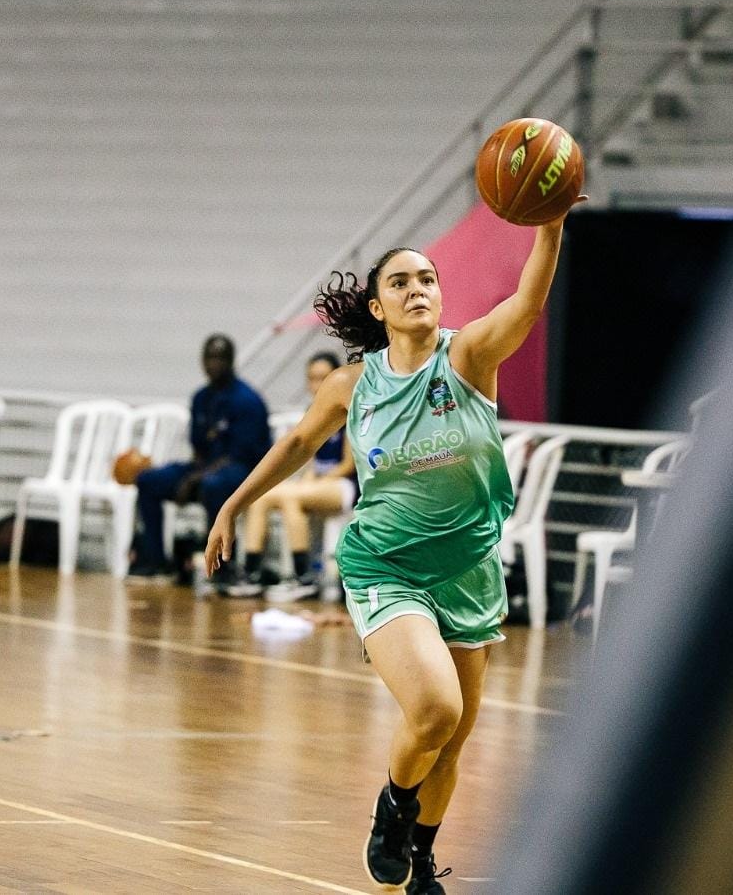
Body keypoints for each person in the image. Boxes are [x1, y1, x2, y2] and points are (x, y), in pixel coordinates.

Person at [205, 215, 573, 894]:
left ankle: (421, 863)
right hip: (385, 568)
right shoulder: (352, 386)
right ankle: (393, 807)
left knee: (453, 743)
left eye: (427, 279)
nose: (418, 290)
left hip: (468, 570)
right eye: (400, 282)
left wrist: (548, 228)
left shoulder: (468, 357)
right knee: (437, 711)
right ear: (377, 306)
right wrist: (236, 503)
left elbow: (527, 302)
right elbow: (293, 447)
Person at [130, 334, 270, 581]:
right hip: (204, 469)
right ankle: (156, 561)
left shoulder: (247, 401)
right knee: (148, 480)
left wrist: (196, 478)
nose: (213, 364)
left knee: (213, 485)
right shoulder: (201, 398)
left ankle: (221, 566)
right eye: (209, 358)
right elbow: (199, 448)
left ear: (231, 361)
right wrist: (190, 474)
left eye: (219, 358)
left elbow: (242, 455)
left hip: (241, 471)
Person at [221, 351, 357, 601]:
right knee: (263, 497)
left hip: (345, 485)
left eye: (322, 378)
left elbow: (349, 464)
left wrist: (315, 482)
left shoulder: (350, 406)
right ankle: (251, 573)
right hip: (319, 483)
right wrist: (308, 480)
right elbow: (313, 458)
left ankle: (304, 576)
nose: (316, 385)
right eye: (312, 378)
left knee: (292, 497)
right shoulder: (313, 410)